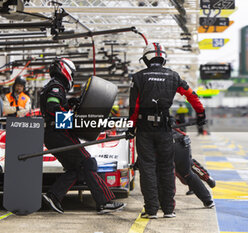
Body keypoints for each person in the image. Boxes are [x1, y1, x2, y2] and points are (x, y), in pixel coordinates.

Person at [127, 42, 206, 219]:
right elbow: (192, 95)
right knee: (166, 168)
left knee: (147, 168)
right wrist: (201, 114)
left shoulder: (138, 77)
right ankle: (169, 209)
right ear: (163, 58)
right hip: (165, 129)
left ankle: (152, 210)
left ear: (146, 58)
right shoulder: (174, 76)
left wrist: (130, 128)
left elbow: (134, 108)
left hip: (145, 130)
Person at [40, 58, 125, 214]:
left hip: (52, 135)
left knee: (75, 168)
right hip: (59, 134)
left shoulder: (52, 86)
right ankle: (104, 202)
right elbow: (53, 109)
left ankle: (53, 196)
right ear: (65, 70)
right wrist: (74, 119)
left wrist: (70, 104)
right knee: (88, 162)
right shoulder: (56, 87)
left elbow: (56, 108)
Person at [172, 127, 215, 208]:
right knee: (186, 173)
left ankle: (207, 178)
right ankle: (206, 198)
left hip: (174, 142)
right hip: (181, 142)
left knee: (185, 170)